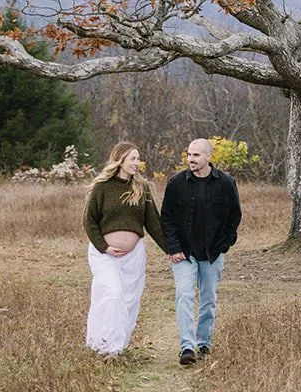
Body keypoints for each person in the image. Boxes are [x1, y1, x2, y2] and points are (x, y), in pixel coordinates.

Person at [160, 137, 242, 367]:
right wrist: (173, 247)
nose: (190, 159)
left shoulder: (226, 183)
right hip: (184, 253)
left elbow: (234, 216)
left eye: (196, 155)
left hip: (213, 252)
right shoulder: (176, 183)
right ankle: (187, 346)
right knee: (184, 295)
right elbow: (166, 217)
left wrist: (225, 243)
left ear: (208, 157)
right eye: (188, 154)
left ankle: (203, 342)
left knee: (208, 299)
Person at [82, 140, 166, 356]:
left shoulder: (141, 188)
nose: (137, 163)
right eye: (132, 159)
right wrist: (104, 247)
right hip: (104, 254)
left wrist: (172, 250)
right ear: (119, 160)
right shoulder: (102, 188)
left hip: (134, 255)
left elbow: (154, 224)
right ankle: (102, 343)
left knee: (129, 299)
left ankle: (117, 347)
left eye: (138, 158)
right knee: (113, 293)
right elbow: (89, 221)